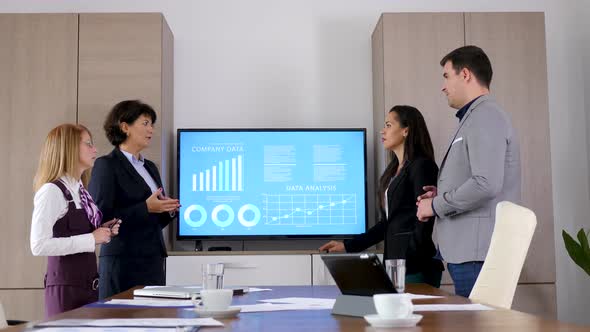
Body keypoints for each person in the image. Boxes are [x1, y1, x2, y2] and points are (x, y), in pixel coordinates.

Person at [416, 45, 521, 297]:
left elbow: (486, 183)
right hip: (468, 251)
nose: (443, 86)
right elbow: (479, 177)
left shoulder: (485, 115)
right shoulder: (474, 117)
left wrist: (436, 205)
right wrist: (442, 192)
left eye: (446, 76)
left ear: (465, 75)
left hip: (477, 253)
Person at [320, 105, 444, 287]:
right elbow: (387, 223)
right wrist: (348, 245)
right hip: (395, 264)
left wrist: (409, 254)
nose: (382, 131)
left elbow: (425, 218)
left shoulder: (421, 166)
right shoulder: (393, 171)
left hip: (415, 265)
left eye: (388, 125)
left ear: (406, 130)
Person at [89, 100, 180, 300]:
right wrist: (146, 207)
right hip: (122, 261)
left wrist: (167, 210)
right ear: (125, 127)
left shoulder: (150, 167)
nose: (151, 130)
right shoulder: (107, 165)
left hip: (153, 260)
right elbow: (102, 217)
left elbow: (152, 220)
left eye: (152, 125)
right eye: (145, 123)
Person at [30, 124, 120, 317]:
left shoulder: (81, 191)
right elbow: (38, 245)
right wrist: (91, 239)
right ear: (69, 148)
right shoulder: (52, 191)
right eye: (88, 144)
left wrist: (102, 231)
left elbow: (80, 234)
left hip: (89, 287)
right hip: (66, 291)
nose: (95, 150)